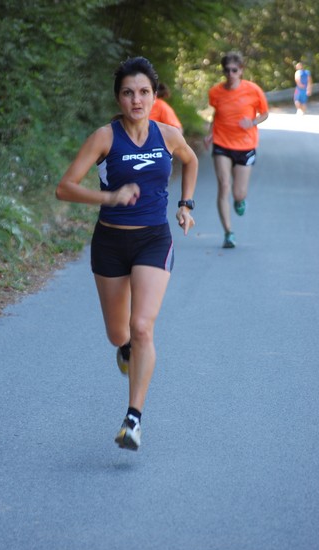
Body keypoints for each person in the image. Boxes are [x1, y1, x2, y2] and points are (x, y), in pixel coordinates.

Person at [56, 56, 198, 451]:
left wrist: (186, 204)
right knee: (119, 334)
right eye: (128, 92)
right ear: (118, 98)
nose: (136, 99)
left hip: (154, 239)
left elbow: (191, 159)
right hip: (110, 243)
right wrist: (110, 196)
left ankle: (133, 420)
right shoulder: (105, 137)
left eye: (144, 92)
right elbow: (64, 188)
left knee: (142, 328)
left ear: (155, 96)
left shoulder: (168, 135)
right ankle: (124, 351)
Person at [204, 51, 269, 248]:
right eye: (227, 70)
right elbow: (217, 114)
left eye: (234, 70)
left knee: (239, 193)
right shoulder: (215, 92)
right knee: (224, 186)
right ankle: (228, 233)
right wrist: (210, 133)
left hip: (246, 145)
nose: (230, 74)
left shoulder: (253, 90)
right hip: (222, 144)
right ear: (223, 71)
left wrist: (253, 121)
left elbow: (265, 113)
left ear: (241, 70)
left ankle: (240, 201)